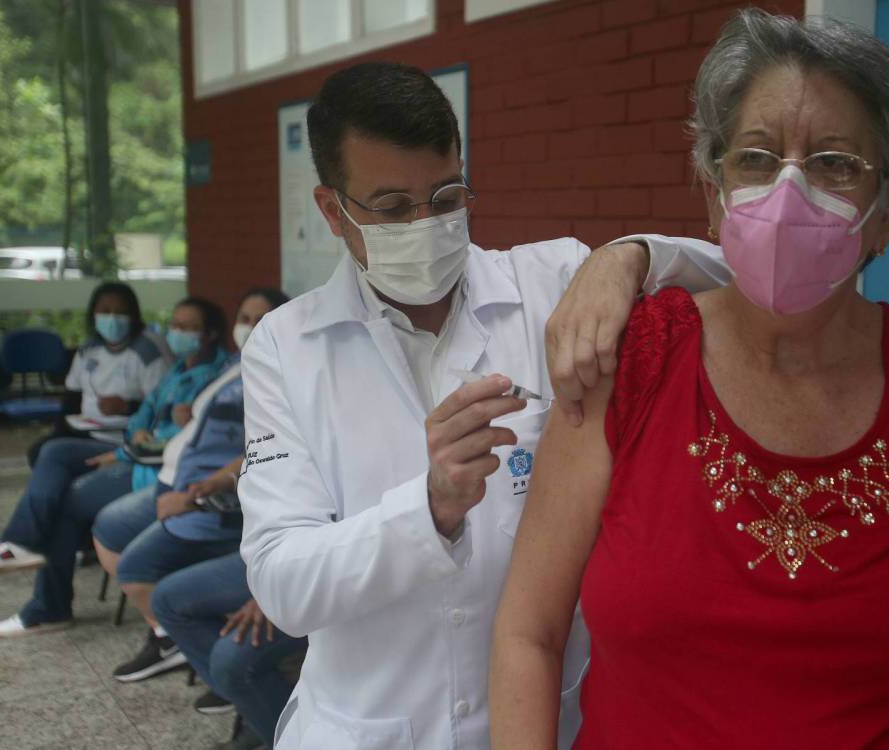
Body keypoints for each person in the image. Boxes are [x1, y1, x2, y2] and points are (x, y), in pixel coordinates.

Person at [489, 10, 889, 749]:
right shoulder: (630, 366)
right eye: (757, 158)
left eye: (834, 163)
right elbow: (528, 632)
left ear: (887, 210)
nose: (789, 191)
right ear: (713, 195)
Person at [238, 61, 727, 750]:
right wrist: (428, 510)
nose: (425, 223)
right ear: (332, 209)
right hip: (371, 726)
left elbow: (735, 280)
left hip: (544, 720)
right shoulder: (286, 347)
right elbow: (284, 585)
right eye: (392, 206)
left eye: (445, 197)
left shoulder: (551, 281)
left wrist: (629, 258)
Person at [0, 297, 229, 637]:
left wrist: (165, 432)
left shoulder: (218, 377)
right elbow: (141, 417)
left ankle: (48, 605)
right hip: (137, 454)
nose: (178, 332)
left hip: (160, 471)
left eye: (188, 327)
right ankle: (18, 544)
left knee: (66, 500)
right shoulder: (178, 369)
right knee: (54, 451)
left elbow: (196, 440)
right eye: (175, 324)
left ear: (210, 333)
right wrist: (139, 434)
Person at [92, 289, 288, 682]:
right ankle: (177, 639)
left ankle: (199, 655)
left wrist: (200, 493)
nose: (247, 327)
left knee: (138, 567)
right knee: (106, 528)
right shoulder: (236, 365)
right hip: (180, 480)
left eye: (259, 319)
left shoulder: (278, 377)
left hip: (213, 501)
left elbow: (261, 453)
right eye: (244, 317)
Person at [152, 552, 307, 750]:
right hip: (267, 554)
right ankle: (258, 715)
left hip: (311, 573)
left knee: (230, 661)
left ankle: (284, 737)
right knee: (166, 599)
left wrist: (272, 590)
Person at [26, 281, 172, 466]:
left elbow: (163, 407)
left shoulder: (149, 351)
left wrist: (127, 407)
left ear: (133, 315)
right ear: (93, 314)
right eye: (105, 311)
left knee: (54, 456)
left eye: (121, 312)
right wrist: (59, 432)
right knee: (40, 452)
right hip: (87, 432)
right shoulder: (89, 348)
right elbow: (72, 397)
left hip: (126, 438)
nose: (112, 318)